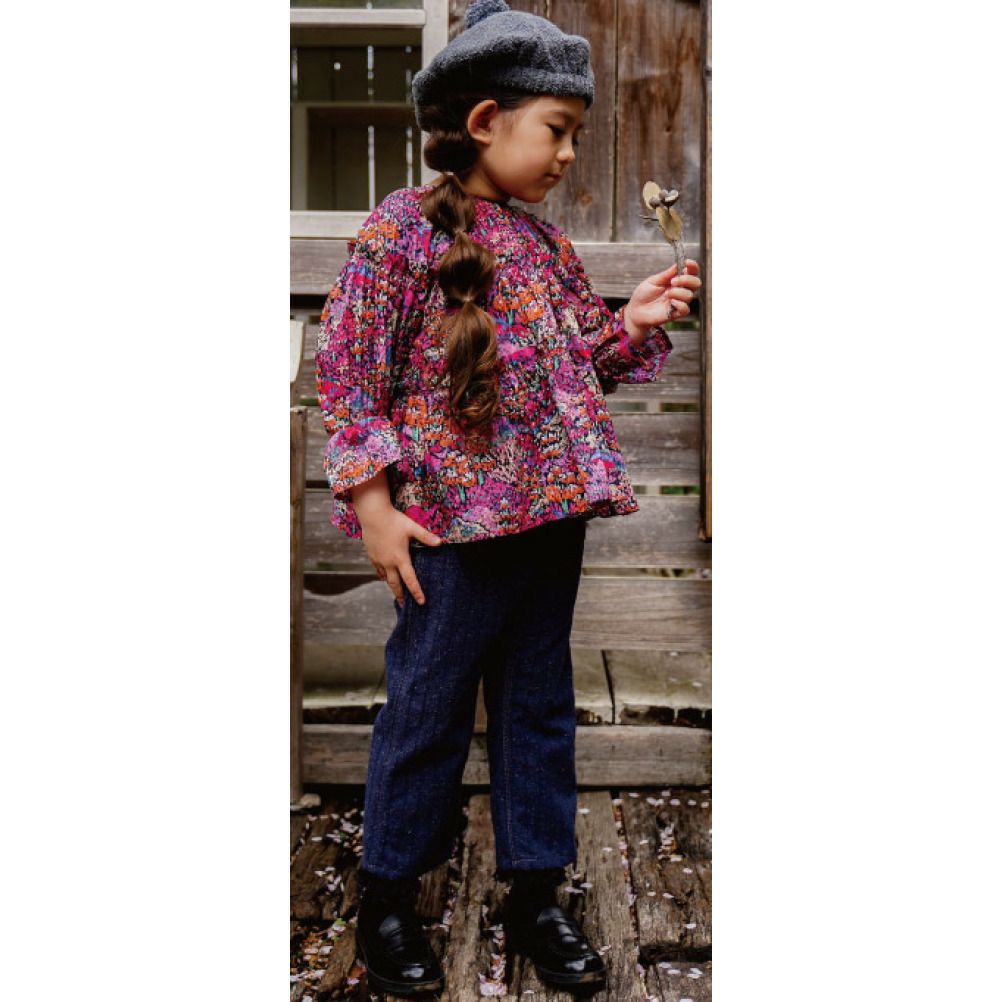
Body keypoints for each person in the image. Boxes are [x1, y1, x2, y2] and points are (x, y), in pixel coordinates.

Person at [314, 0, 701, 994]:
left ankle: (536, 891)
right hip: (445, 536)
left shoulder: (546, 249)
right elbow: (349, 377)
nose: (570, 154)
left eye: (574, 135)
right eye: (557, 130)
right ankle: (388, 895)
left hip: (549, 526)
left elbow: (576, 371)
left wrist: (631, 321)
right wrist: (372, 507)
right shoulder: (401, 232)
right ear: (485, 121)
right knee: (427, 708)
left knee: (538, 710)